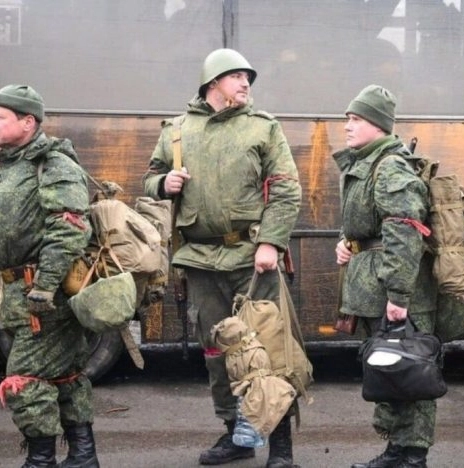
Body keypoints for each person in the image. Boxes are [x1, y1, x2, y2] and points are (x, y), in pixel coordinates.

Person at [142, 48, 302, 468]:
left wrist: (271, 243)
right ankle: (237, 436)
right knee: (217, 351)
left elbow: (286, 189)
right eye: (236, 76)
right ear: (212, 82)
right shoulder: (177, 130)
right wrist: (164, 182)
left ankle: (281, 447)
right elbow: (149, 178)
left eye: (248, 77)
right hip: (200, 259)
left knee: (269, 351)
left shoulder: (263, 127)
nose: (246, 83)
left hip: (252, 257)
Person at [0, 85, 98, 467]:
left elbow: (69, 227)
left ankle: (41, 461)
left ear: (28, 122)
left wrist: (44, 286)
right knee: (65, 375)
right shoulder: (9, 168)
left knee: (24, 378)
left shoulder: (54, 164)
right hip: (21, 292)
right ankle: (84, 457)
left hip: (43, 295)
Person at [333, 84, 438, 468]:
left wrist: (398, 296)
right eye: (347, 118)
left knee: (411, 370)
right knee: (390, 369)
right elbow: (368, 223)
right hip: (372, 285)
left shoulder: (390, 166)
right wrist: (347, 243)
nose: (347, 126)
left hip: (391, 289)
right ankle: (397, 451)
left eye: (356, 119)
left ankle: (413, 456)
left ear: (378, 124)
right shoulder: (367, 163)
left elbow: (404, 232)